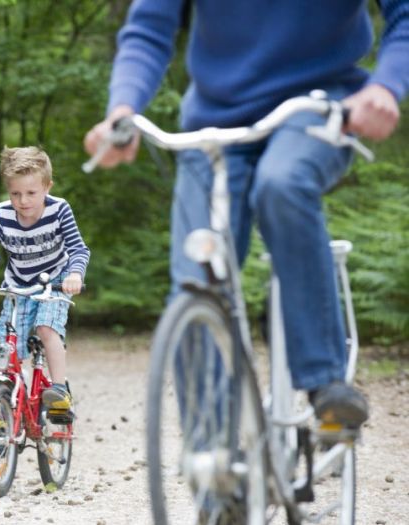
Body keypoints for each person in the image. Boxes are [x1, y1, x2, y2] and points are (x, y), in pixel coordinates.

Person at [85, 0, 408, 429]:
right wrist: (123, 110)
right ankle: (212, 469)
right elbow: (149, 27)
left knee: (282, 184)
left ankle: (324, 381)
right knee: (197, 281)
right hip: (215, 118)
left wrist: (386, 85)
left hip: (320, 103)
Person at [0, 146, 90, 396]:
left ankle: (59, 390)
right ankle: (7, 405)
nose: (23, 201)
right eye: (15, 193)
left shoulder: (59, 210)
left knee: (46, 328)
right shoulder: (2, 215)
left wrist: (75, 275)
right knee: (9, 347)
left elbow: (78, 249)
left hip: (55, 279)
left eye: (31, 193)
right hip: (18, 284)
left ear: (47, 187)